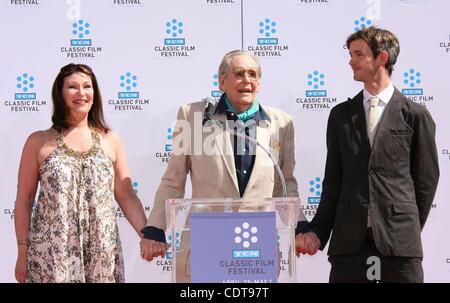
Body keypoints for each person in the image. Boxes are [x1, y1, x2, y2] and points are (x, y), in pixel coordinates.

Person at [139, 50, 309, 281]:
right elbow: (173, 179)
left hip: (256, 249)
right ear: (221, 81)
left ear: (259, 82)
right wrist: (155, 228)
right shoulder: (193, 116)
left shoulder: (281, 123)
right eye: (239, 74)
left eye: (253, 74)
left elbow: (285, 184)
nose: (247, 80)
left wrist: (299, 225)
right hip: (206, 243)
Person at [296, 27, 440, 282]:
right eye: (351, 54)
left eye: (359, 54)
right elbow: (333, 182)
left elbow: (426, 182)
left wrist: (404, 226)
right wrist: (318, 232)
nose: (351, 61)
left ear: (382, 57)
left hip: (399, 248)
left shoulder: (416, 115)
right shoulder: (340, 115)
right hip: (348, 246)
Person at [14, 63, 147, 283]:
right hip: (52, 254)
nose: (81, 93)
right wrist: (21, 252)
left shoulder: (110, 140)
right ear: (60, 93)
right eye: (72, 87)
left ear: (95, 93)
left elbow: (126, 195)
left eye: (87, 86)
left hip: (101, 253)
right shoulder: (38, 141)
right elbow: (24, 200)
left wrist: (148, 235)